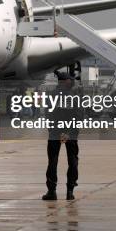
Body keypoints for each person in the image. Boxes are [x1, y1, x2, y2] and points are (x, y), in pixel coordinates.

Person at [42, 71, 82, 201]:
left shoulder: (51, 96)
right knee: (73, 162)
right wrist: (69, 133)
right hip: (70, 134)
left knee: (52, 162)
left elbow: (49, 115)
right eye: (70, 80)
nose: (72, 82)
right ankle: (70, 191)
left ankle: (52, 191)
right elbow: (78, 116)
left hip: (55, 133)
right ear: (65, 82)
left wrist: (57, 132)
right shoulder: (74, 97)